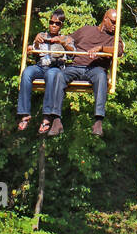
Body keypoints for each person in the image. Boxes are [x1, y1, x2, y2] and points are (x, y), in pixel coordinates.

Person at [41, 7, 124, 137]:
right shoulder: (87, 30)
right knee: (59, 75)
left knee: (102, 77)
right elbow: (69, 39)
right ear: (105, 19)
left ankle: (98, 121)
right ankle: (56, 120)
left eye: (117, 23)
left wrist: (101, 48)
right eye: (113, 22)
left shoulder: (114, 37)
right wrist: (48, 38)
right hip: (75, 66)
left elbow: (118, 51)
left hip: (95, 69)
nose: (115, 26)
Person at [16, 10, 74, 133]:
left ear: (61, 25)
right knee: (26, 73)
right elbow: (32, 51)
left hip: (55, 67)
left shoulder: (66, 38)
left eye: (57, 23)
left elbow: (73, 53)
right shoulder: (42, 35)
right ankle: (24, 113)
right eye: (51, 22)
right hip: (40, 66)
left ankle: (47, 116)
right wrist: (35, 44)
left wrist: (62, 42)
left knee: (51, 75)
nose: (53, 25)